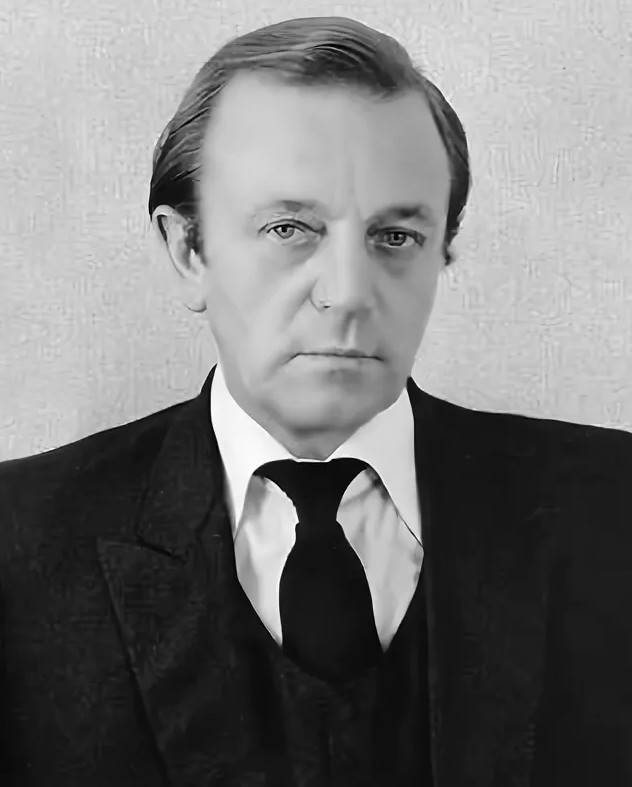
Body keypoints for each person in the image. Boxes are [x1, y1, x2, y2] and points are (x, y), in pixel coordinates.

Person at [1, 15, 631, 787]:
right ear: (189, 250)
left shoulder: (616, 508)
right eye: (289, 228)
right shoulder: (17, 542)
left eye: (395, 236)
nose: (349, 291)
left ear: (443, 251)